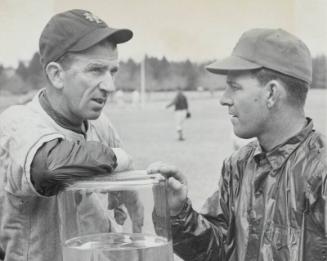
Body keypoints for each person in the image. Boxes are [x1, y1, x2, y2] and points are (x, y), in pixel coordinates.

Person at [148, 28, 327, 261]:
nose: (224, 98)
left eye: (234, 86)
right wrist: (178, 213)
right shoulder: (238, 165)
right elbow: (218, 249)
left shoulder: (321, 172)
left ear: (271, 93)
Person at [0, 9, 142, 261]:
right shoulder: (17, 122)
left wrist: (130, 188)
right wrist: (119, 159)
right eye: (96, 70)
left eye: (113, 71)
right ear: (56, 75)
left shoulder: (100, 126)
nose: (110, 86)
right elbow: (49, 167)